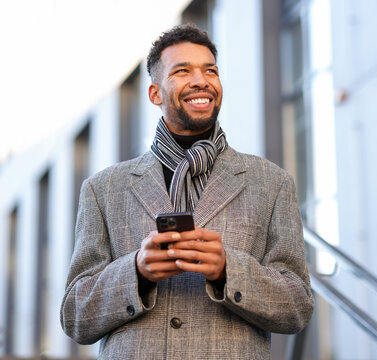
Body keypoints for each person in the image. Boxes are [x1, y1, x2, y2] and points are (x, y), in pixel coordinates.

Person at [60, 24, 314, 359]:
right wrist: (136, 271)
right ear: (155, 94)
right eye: (182, 71)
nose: (201, 80)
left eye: (210, 70)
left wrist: (228, 269)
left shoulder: (271, 182)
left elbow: (297, 306)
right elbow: (75, 316)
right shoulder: (103, 189)